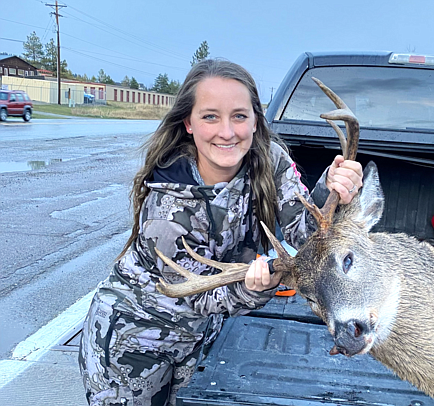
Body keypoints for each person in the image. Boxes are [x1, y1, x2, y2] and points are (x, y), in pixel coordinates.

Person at [78, 59, 363, 406]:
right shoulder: (169, 207)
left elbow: (304, 234)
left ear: (256, 120)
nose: (227, 132)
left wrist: (333, 193)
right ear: (189, 123)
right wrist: (257, 288)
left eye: (239, 116)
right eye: (210, 116)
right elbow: (197, 294)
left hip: (197, 335)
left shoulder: (269, 159)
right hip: (136, 341)